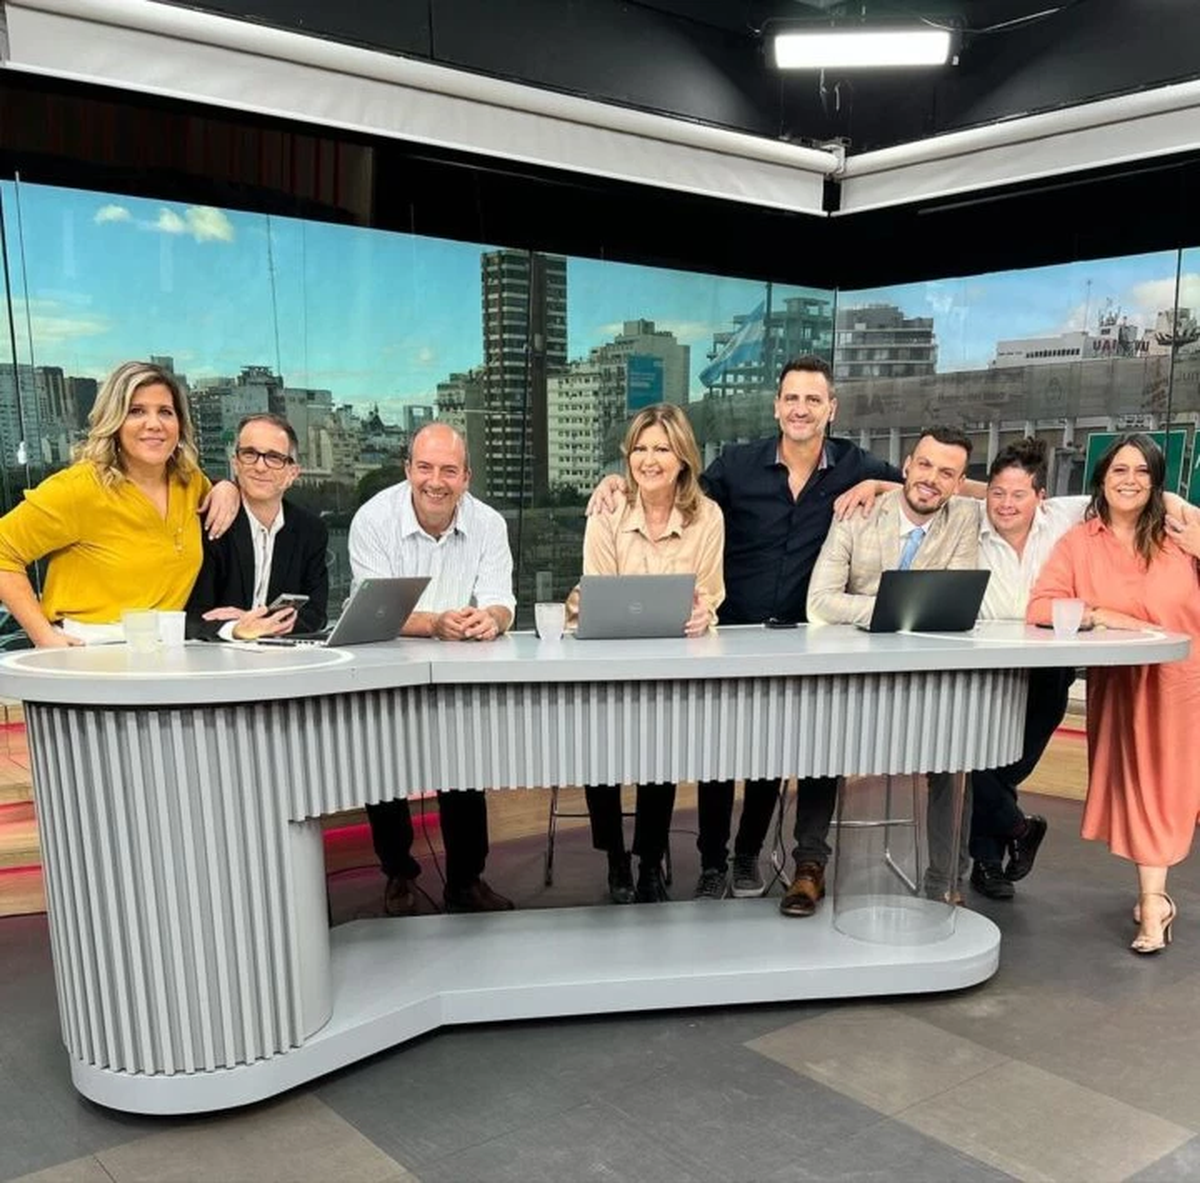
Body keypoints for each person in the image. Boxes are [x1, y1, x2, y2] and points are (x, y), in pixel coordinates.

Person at [589, 356, 903, 902]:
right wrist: (619, 478)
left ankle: (746, 856)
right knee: (718, 757)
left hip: (803, 637)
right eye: (791, 398)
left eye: (813, 399)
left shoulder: (856, 465)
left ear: (832, 408)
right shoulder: (738, 464)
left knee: (770, 758)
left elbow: (933, 488)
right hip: (730, 633)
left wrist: (881, 484)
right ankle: (712, 861)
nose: (800, 408)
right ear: (776, 405)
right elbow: (674, 484)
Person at [1027, 433, 1200, 954]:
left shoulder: (1179, 534)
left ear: (1157, 484)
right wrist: (1102, 617)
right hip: (1123, 688)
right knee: (1149, 791)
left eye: (1143, 472)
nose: (1130, 481)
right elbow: (1041, 606)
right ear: (1101, 479)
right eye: (1120, 470)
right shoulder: (1080, 542)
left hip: (1185, 682)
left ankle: (1153, 902)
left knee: (1166, 790)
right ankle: (1156, 897)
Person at [806, 426, 979, 908]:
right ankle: (808, 862)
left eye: (947, 473)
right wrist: (890, 609)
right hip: (850, 678)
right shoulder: (858, 512)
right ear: (906, 465)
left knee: (954, 758)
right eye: (924, 466)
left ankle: (942, 883)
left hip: (924, 680)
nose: (931, 479)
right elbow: (819, 601)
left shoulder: (964, 517)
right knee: (816, 749)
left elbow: (956, 604)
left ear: (960, 484)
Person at [349, 421, 516, 916]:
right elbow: (375, 609)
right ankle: (398, 873)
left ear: (466, 476)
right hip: (389, 661)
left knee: (464, 774)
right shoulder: (372, 519)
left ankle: (466, 880)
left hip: (462, 665)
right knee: (386, 776)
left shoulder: (489, 523)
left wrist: (492, 619)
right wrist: (436, 623)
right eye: (424, 468)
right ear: (408, 470)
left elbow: (502, 600)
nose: (435, 481)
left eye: (448, 470)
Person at [568, 404, 724, 904]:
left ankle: (650, 859)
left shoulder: (708, 517)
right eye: (640, 448)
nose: (649, 459)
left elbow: (710, 593)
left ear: (683, 458)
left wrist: (704, 616)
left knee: (662, 742)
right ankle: (615, 858)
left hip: (674, 662)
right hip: (609, 659)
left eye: (661, 448)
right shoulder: (607, 510)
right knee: (601, 745)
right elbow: (598, 592)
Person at [0, 359, 239, 646]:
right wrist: (43, 635)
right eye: (136, 411)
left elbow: (214, 495)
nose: (154, 424)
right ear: (114, 422)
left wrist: (228, 487)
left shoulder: (189, 482)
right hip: (85, 655)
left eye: (165, 412)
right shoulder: (79, 488)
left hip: (160, 651)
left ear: (180, 424)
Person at [186, 413, 329, 642]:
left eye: (274, 457)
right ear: (236, 463)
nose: (260, 467)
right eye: (250, 454)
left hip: (284, 661)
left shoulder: (310, 530)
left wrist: (256, 622)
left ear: (292, 473)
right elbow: (191, 616)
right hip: (217, 660)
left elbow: (315, 614)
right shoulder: (212, 522)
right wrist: (235, 628)